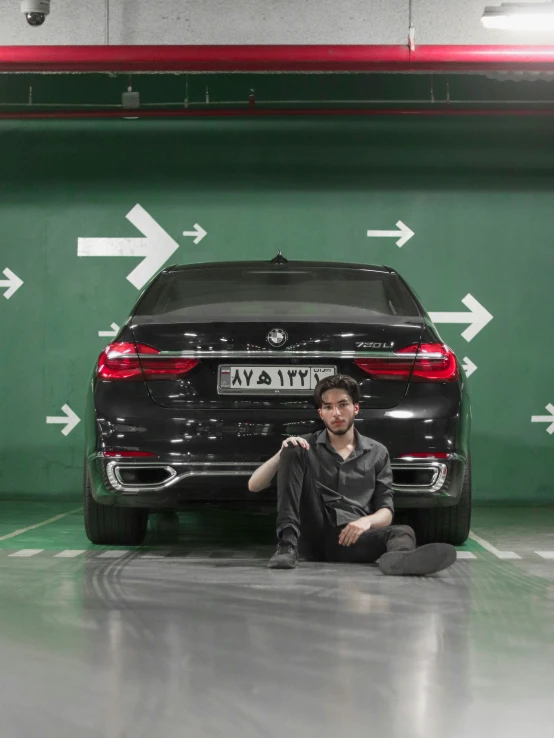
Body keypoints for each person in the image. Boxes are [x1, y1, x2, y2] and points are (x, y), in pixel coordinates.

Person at [248, 374, 457, 576]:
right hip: (313, 532)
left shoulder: (377, 452)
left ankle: (401, 561)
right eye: (328, 407)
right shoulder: (305, 445)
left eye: (342, 404)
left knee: (403, 532)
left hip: (351, 538)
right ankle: (286, 546)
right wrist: (282, 452)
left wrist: (365, 522)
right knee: (294, 447)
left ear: (355, 408)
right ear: (321, 413)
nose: (336, 413)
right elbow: (254, 486)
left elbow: (386, 511)